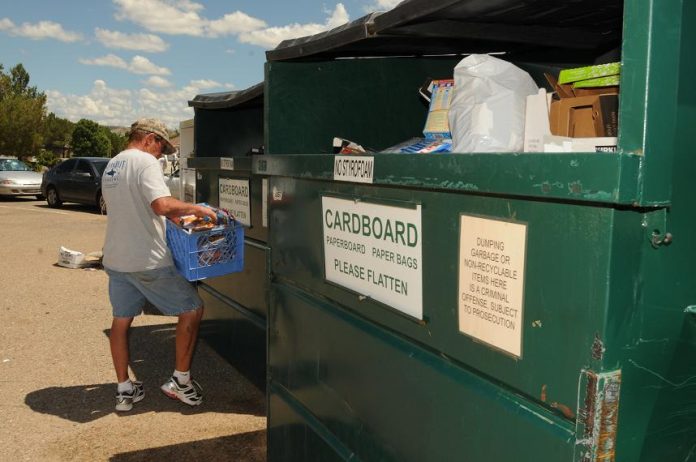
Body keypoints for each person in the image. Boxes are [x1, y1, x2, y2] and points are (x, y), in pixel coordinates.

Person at [101, 118, 217, 412]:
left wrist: (175, 219)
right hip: (147, 260)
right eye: (161, 147)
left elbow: (138, 209)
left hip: (117, 259)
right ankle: (180, 381)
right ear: (149, 139)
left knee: (121, 321)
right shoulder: (144, 162)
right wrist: (197, 209)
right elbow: (161, 205)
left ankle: (124, 389)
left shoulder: (113, 164)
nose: (161, 155)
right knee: (192, 309)